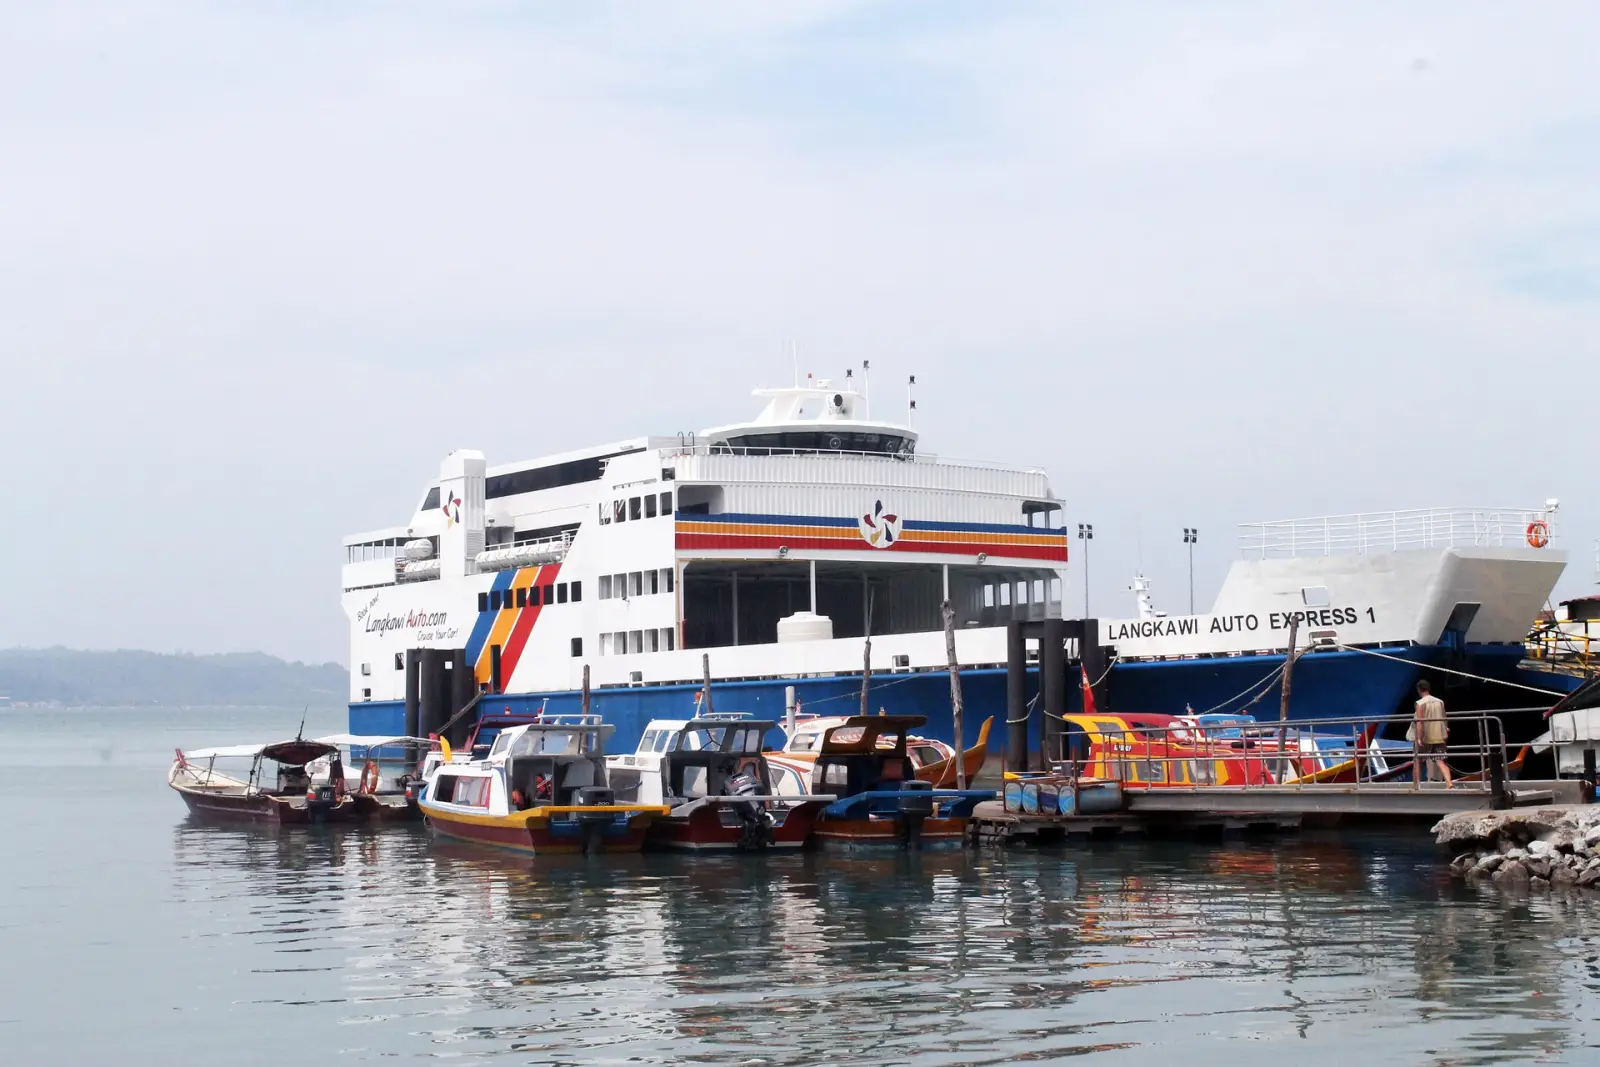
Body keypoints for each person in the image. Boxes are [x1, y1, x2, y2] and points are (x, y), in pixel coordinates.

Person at [1410, 680, 1452, 786]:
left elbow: (1420, 722)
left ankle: (1415, 785)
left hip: (1425, 737)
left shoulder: (1420, 703)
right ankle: (1449, 783)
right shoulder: (1440, 702)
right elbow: (1444, 719)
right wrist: (1445, 731)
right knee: (1440, 761)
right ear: (1428, 688)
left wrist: (1419, 738)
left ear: (1419, 690)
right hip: (1438, 736)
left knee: (1418, 762)